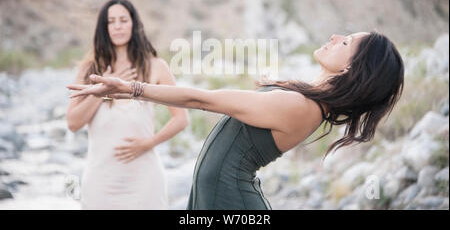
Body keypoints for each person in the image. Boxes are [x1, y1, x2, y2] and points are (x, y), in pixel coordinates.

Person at [67, 31, 404, 210]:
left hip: (229, 202)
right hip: (217, 196)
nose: (334, 37)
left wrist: (132, 88)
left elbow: (203, 99)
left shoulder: (303, 107)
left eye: (345, 42)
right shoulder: (310, 100)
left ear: (350, 69)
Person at [66, 0, 189, 210]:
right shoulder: (90, 69)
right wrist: (105, 91)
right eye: (111, 21)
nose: (118, 26)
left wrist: (148, 143)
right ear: (104, 28)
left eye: (123, 20)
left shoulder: (156, 66)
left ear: (133, 24)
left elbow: (181, 118)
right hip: (100, 182)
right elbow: (73, 123)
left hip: (144, 180)